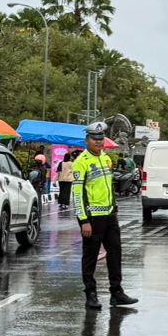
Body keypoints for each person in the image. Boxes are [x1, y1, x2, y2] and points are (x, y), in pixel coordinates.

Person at [72, 121, 137, 310]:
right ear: (87, 140)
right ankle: (90, 294)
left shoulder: (106, 159)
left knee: (115, 253)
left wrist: (114, 210)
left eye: (101, 139)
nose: (98, 143)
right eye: (94, 139)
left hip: (109, 215)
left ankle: (116, 292)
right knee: (90, 257)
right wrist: (84, 221)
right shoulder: (81, 163)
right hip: (92, 218)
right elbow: (77, 195)